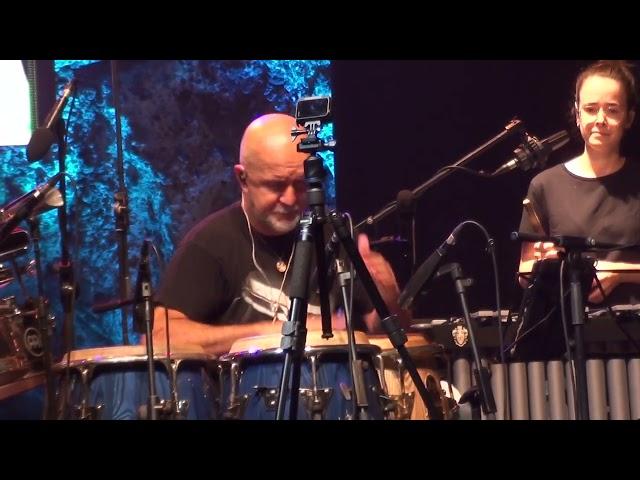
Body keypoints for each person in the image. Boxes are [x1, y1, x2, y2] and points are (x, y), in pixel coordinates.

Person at [151, 113, 408, 356]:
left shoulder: (334, 232)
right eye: (275, 185)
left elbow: (386, 330)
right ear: (243, 179)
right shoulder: (211, 243)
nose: (290, 199)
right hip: (245, 399)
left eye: (300, 184)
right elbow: (161, 337)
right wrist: (273, 332)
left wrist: (389, 298)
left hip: (336, 395)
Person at [515, 60, 640, 358]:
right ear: (577, 111)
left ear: (629, 118)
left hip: (633, 336)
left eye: (612, 110)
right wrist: (546, 265)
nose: (601, 119)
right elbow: (523, 275)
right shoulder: (544, 185)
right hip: (568, 341)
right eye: (591, 108)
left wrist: (618, 274)